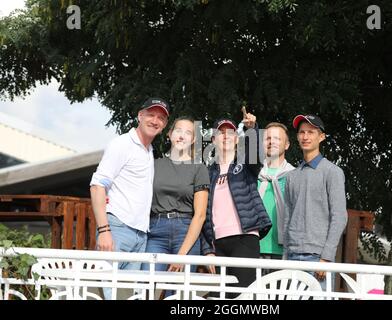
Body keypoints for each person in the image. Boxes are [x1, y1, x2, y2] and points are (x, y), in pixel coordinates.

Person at [90, 97, 169, 272]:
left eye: (161, 118)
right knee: (108, 293)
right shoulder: (122, 144)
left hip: (140, 235)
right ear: (140, 116)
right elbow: (97, 186)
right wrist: (104, 230)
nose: (155, 121)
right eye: (151, 115)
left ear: (164, 125)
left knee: (129, 295)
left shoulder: (149, 150)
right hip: (118, 229)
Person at [201, 112, 272, 298]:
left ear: (236, 139)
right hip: (218, 244)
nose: (226, 136)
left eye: (230, 132)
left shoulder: (245, 165)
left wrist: (252, 130)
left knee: (242, 297)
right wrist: (207, 249)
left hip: (244, 239)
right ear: (213, 139)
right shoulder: (206, 172)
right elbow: (201, 213)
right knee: (217, 297)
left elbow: (257, 155)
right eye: (221, 132)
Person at [283, 114, 347, 291]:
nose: (305, 136)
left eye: (311, 132)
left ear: (321, 137)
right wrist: (286, 256)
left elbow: (339, 217)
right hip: (293, 256)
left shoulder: (333, 172)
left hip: (318, 257)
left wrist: (326, 258)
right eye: (302, 132)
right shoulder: (291, 177)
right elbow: (288, 218)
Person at [142, 117, 209, 274]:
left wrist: (181, 255)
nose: (181, 136)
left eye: (188, 133)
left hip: (185, 232)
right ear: (169, 134)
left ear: (193, 140)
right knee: (145, 285)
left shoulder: (199, 168)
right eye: (178, 130)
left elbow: (200, 215)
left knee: (177, 292)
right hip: (156, 231)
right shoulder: (154, 164)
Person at [258, 123, 295, 274]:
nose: (271, 142)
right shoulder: (253, 174)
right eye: (267, 138)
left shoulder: (294, 176)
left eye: (277, 138)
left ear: (286, 145)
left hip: (283, 252)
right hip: (254, 249)